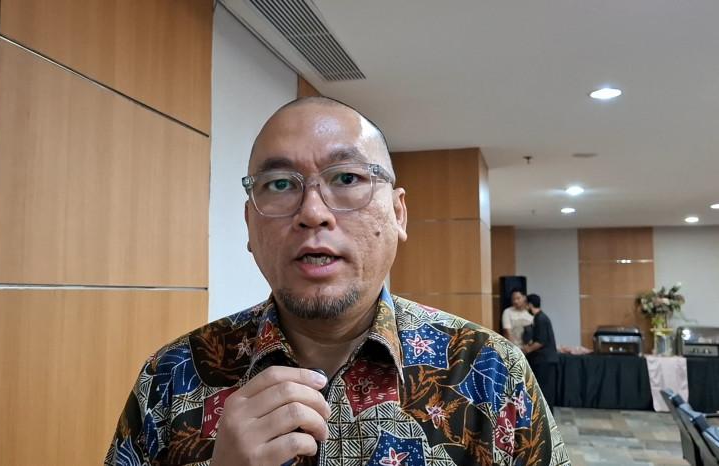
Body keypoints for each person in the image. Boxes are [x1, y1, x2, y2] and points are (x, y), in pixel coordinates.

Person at [104, 97, 568, 466]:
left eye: (346, 177)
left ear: (398, 212)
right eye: (280, 184)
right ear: (249, 224)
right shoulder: (172, 376)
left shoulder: (491, 372)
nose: (312, 212)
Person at [521, 294, 559, 409]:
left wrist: (527, 349)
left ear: (530, 304)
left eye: (526, 304)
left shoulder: (540, 319)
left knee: (545, 390)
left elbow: (541, 341)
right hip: (543, 360)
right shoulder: (539, 317)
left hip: (545, 360)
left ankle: (545, 415)